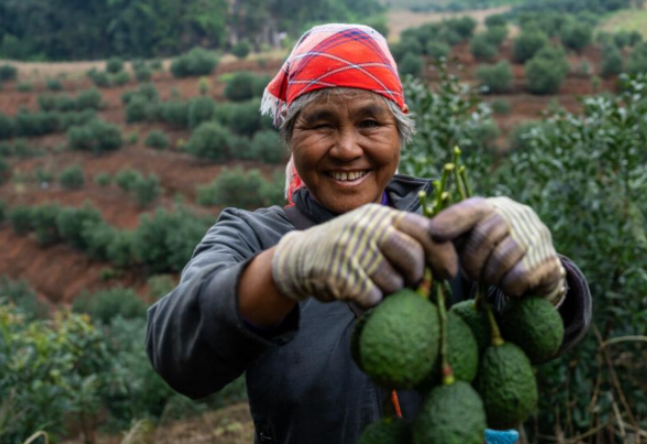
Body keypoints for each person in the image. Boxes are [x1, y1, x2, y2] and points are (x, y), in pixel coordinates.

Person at [146, 23, 591, 444]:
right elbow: (176, 353)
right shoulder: (251, 237)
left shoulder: (445, 223)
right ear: (289, 137)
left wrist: (551, 283)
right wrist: (282, 271)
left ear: (399, 133)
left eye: (370, 123)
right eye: (320, 124)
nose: (346, 148)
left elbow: (542, 336)